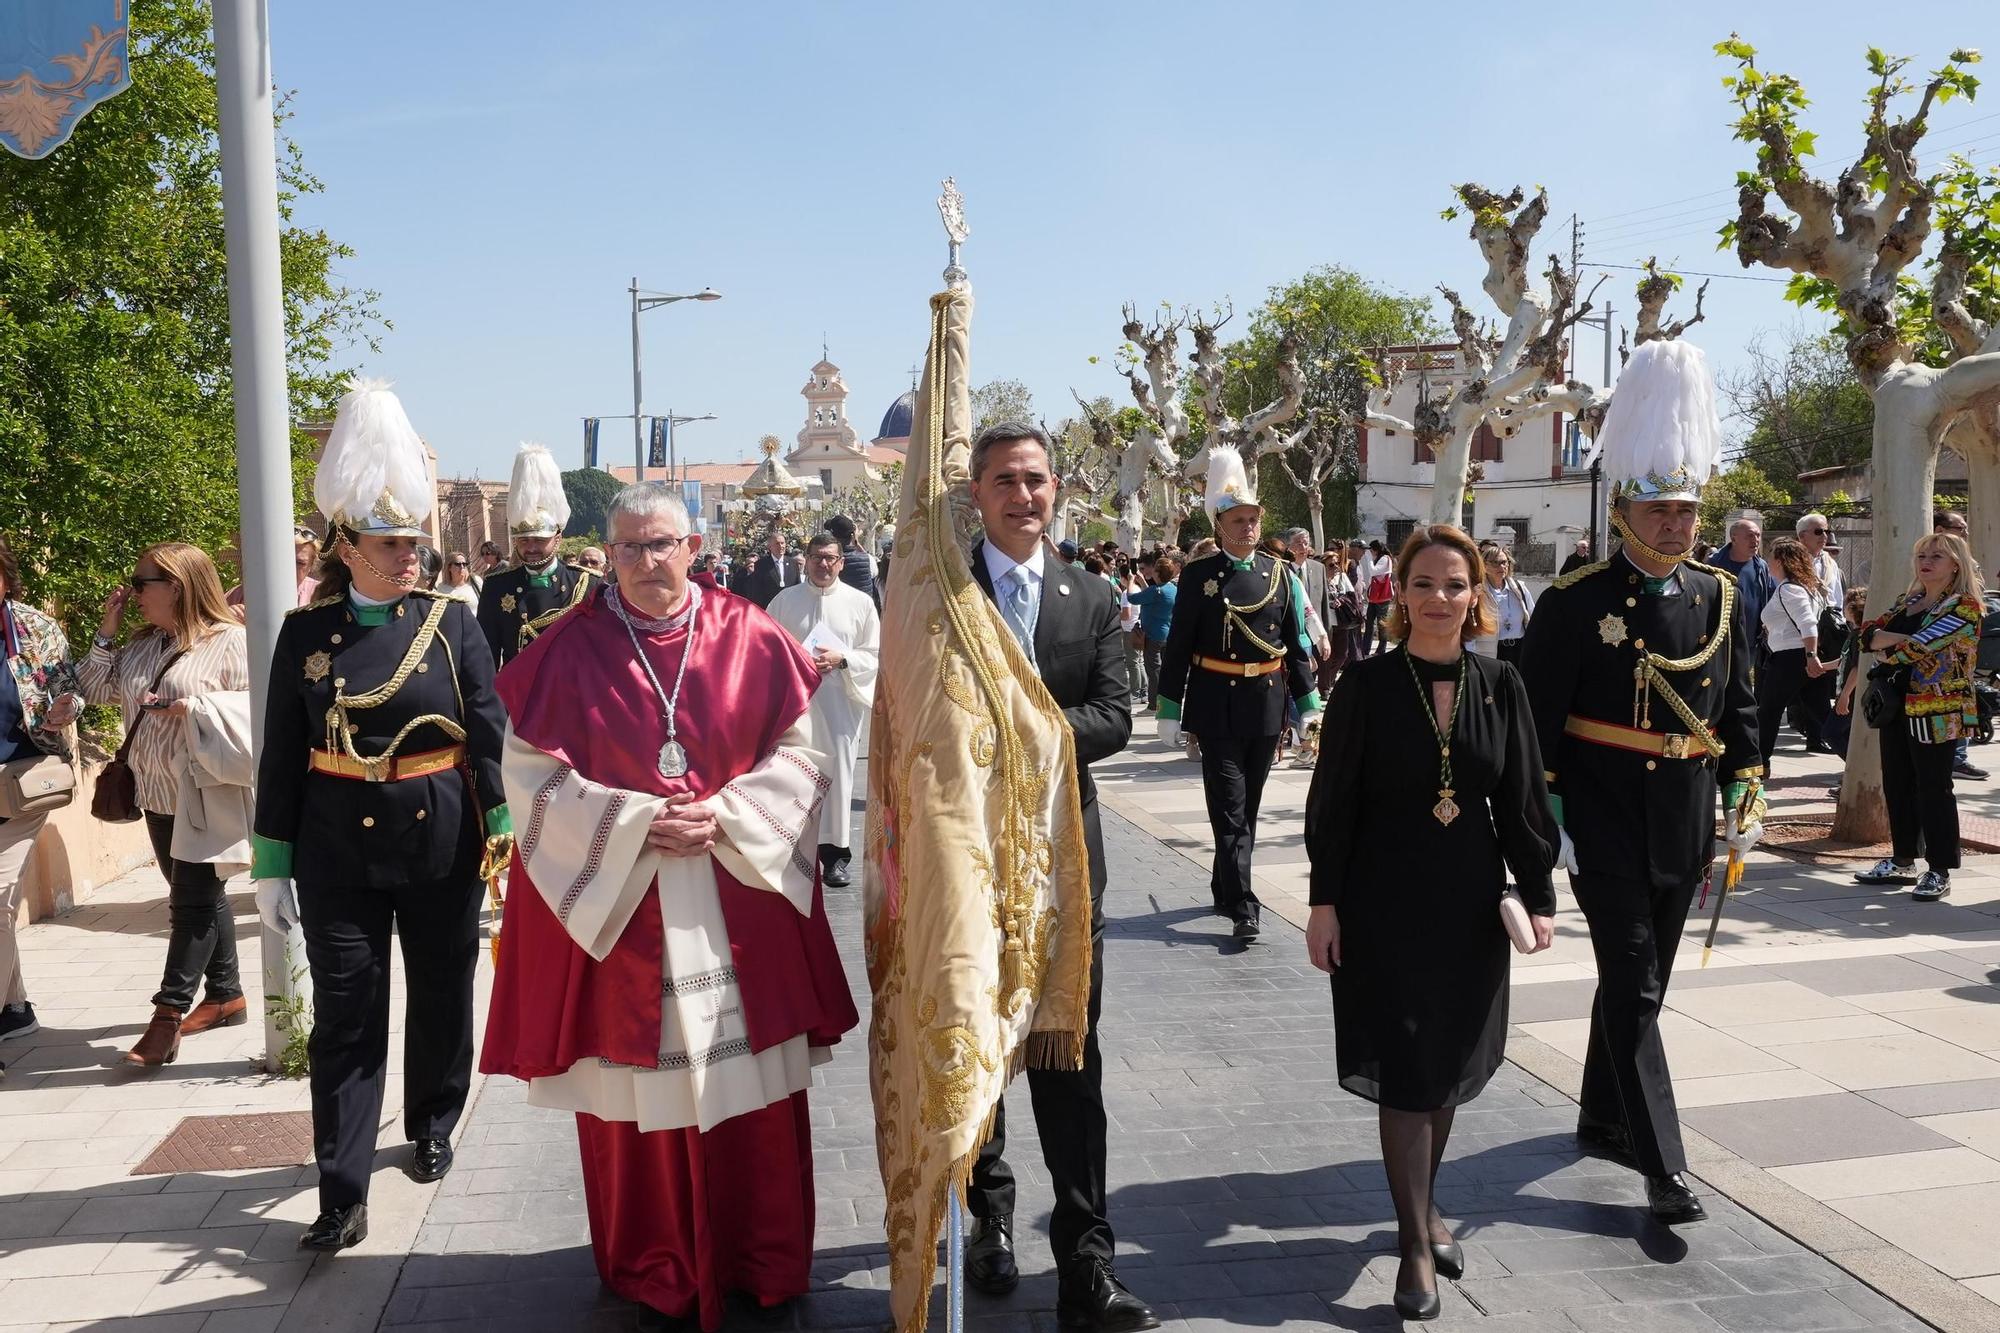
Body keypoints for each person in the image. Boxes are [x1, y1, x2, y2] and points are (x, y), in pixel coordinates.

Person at [480, 482, 856, 1330]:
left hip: (735, 887)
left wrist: (722, 813)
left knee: (752, 1094)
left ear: (694, 545)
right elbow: (533, 779)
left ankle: (762, 1253)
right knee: (638, 1104)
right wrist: (642, 821)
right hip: (628, 905)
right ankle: (652, 1260)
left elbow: (803, 753)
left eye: (663, 545)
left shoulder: (749, 633)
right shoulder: (567, 650)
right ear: (608, 555)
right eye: (630, 548)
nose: (649, 563)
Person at [250, 382, 510, 1250]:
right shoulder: (305, 632)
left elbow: (485, 731)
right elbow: (283, 751)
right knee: (348, 1013)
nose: (410, 557)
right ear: (346, 547)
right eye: (391, 544)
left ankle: (432, 1118)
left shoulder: (450, 624)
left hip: (439, 839)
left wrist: (501, 819)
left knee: (440, 992)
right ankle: (342, 1188)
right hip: (335, 850)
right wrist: (271, 862)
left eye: (414, 542)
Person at [1518, 338, 1762, 1226]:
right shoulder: (1575, 599)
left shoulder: (1720, 596)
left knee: (1644, 974)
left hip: (1686, 815)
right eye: (1660, 509)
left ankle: (1600, 1113)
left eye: (1688, 510)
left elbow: (1739, 713)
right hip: (1604, 812)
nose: (1677, 525)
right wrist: (1548, 817)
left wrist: (1748, 790)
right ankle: (1663, 1163)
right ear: (1624, 508)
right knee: (1635, 980)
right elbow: (1533, 724)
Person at [1304, 525, 1557, 1320]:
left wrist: (1540, 891)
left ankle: (1426, 1204)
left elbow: (1520, 797)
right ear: (1398, 593)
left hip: (1469, 904)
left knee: (1443, 1066)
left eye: (1455, 584)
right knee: (1409, 1071)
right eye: (1424, 583)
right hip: (1382, 902)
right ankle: (1415, 1241)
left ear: (1475, 594)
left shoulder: (1499, 683)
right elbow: (1333, 803)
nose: (1440, 598)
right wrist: (1323, 901)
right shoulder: (1367, 686)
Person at [959, 422, 1155, 1332]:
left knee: (1070, 1063)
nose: (1023, 495)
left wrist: (1022, 736)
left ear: (1056, 489)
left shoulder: (1092, 595)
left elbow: (1115, 715)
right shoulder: (940, 593)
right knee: (980, 1059)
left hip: (1069, 871)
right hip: (966, 865)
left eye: (1036, 479)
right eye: (1006, 480)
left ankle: (1086, 1261)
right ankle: (989, 1218)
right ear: (977, 492)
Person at [85, 542, 253, 1067]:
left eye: (141, 584)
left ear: (176, 586)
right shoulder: (140, 646)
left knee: (192, 905)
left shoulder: (231, 642)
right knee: (197, 897)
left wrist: (194, 708)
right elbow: (93, 690)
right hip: (155, 794)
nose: (133, 593)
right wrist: (107, 632)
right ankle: (226, 994)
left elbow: (258, 709)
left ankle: (167, 1017)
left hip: (206, 792)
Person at [1155, 446, 1322, 940]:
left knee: (1247, 806)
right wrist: (1169, 706)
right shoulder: (1199, 576)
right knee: (1228, 804)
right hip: (1215, 703)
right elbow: (1179, 643)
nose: (1249, 527)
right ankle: (1244, 904)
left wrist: (1309, 703)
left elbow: (1294, 644)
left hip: (1266, 703)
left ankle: (1225, 881)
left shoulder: (1279, 573)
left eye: (1253, 519)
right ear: (1219, 524)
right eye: (1239, 519)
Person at [1852, 532, 1985, 901]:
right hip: (1895, 705)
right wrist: (1882, 641)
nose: (1925, 562)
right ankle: (1902, 860)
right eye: (1921, 555)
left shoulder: (1965, 606)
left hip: (1936, 709)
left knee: (1934, 786)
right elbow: (1863, 635)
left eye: (1936, 557)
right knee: (1896, 782)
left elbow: (1915, 648)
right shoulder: (1907, 601)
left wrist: (1885, 644)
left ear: (1955, 564)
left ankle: (1939, 868)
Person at [0, 537, 81, 1045]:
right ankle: (15, 1006)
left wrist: (66, 707)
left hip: (21, 784)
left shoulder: (34, 629)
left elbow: (69, 687)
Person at [766, 530, 881, 889]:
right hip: (798, 705)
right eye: (817, 557)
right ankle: (793, 853)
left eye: (830, 558)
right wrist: (797, 659)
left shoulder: (860, 603)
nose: (824, 564)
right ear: (807, 560)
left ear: (841, 562)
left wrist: (843, 658)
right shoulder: (784, 601)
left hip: (841, 704)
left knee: (840, 777)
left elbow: (875, 653)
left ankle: (834, 857)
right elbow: (766, 648)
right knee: (794, 774)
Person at [476, 444, 598, 668]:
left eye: (540, 540)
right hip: (519, 697)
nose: (531, 548)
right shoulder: (496, 585)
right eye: (523, 540)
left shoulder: (587, 584)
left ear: (558, 538)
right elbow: (487, 657)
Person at [1756, 537, 1832, 764]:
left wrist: (1811, 657)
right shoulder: (1806, 589)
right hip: (1802, 657)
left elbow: (1808, 624)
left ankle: (1759, 762)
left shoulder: (1789, 589)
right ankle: (1853, 758)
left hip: (1791, 659)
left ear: (1780, 561)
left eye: (1771, 557)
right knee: (1822, 716)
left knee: (1769, 711)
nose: (1768, 562)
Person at [1933, 511, 1986, 779]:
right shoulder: (1927, 567)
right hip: (1931, 668)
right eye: (1960, 528)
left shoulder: (1968, 567)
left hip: (1959, 658)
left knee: (1961, 699)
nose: (1965, 533)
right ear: (1941, 529)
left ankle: (1957, 758)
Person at [1792, 513, 1845, 752]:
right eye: (1818, 532)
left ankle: (1817, 736)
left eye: (1825, 531)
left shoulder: (1829, 563)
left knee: (1821, 684)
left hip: (1827, 630)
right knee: (1795, 688)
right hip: (1801, 632)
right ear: (1802, 536)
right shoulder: (1793, 562)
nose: (1824, 536)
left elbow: (1837, 598)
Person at [1709, 512, 1776, 668]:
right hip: (1721, 639)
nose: (1756, 540)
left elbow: (1769, 596)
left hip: (1752, 638)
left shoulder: (1761, 566)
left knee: (1743, 681)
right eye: (1750, 536)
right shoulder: (1714, 564)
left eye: (1758, 535)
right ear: (1733, 538)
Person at [1128, 554, 1179, 711]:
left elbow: (1132, 598)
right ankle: (1166, 702)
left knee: (1154, 671)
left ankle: (1153, 705)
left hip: (1153, 636)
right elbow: (1150, 594)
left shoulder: (1155, 591)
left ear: (1158, 573)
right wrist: (1142, 581)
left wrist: (1130, 581)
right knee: (1164, 671)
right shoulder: (1172, 589)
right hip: (1167, 634)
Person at [1470, 544, 1535, 666]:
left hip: (1519, 651)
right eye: (1495, 563)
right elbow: (1471, 627)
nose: (1502, 566)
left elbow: (1533, 618)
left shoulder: (1519, 588)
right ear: (1484, 565)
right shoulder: (1478, 592)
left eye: (1504, 562)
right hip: (1491, 654)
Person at [825, 514, 880, 608]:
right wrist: (856, 542)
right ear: (852, 536)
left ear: (831, 536)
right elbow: (874, 573)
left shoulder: (824, 561)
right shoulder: (868, 560)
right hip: (862, 614)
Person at [744, 531, 799, 609]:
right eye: (777, 543)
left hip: (789, 608)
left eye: (782, 543)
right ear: (770, 547)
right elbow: (756, 591)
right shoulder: (761, 565)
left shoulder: (793, 563)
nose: (781, 546)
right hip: (769, 609)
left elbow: (797, 586)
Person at [1362, 539, 1396, 656]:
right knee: (1369, 622)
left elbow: (1373, 571)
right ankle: (1365, 648)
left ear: (1376, 549)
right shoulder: (1380, 558)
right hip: (1375, 597)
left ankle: (1381, 650)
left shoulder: (1385, 559)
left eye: (1371, 550)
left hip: (1382, 597)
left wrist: (1368, 558)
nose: (1370, 552)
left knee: (1381, 624)